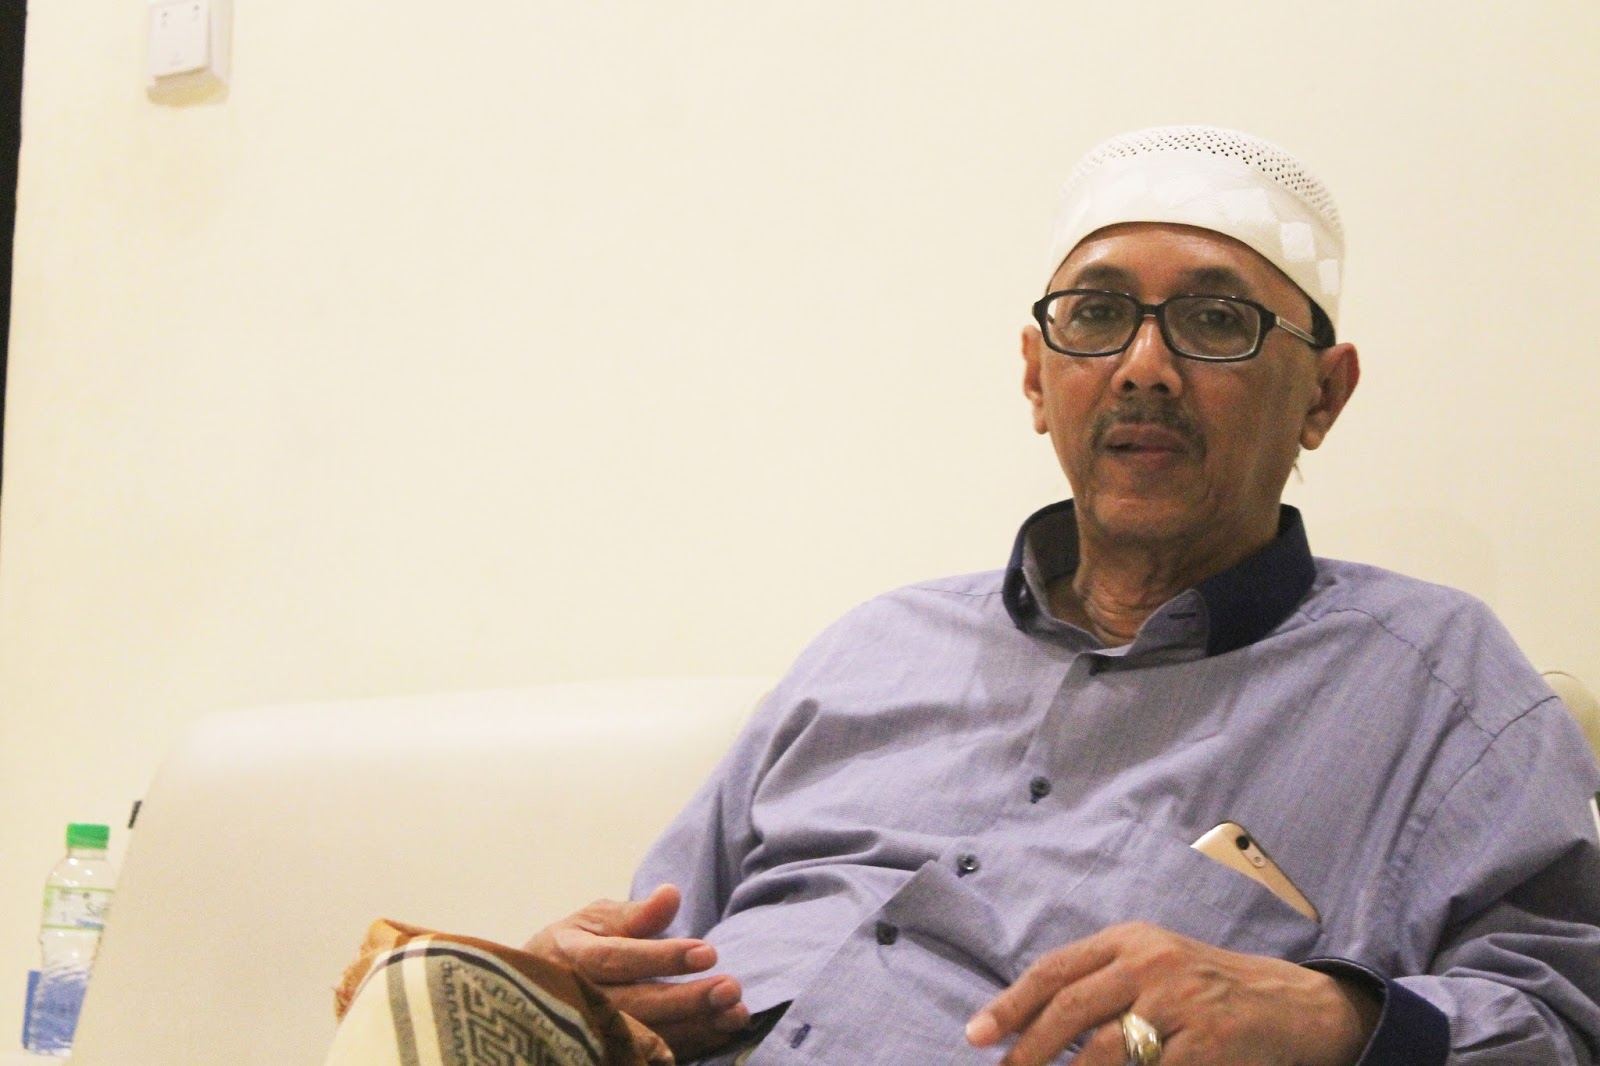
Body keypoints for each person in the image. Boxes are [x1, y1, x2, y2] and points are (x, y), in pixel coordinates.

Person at [524, 126, 1600, 1065]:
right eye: (1096, 315)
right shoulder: (870, 649)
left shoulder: (1436, 683)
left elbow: (1563, 1021)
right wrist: (564, 989)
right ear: (1037, 377)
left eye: (1215, 321)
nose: (1143, 366)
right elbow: (643, 952)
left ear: (1324, 394)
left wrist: (1330, 1017)